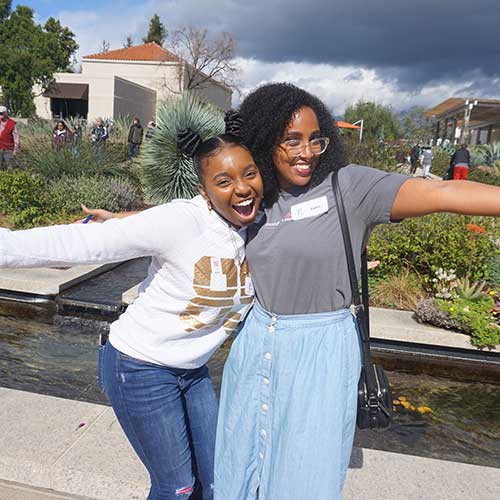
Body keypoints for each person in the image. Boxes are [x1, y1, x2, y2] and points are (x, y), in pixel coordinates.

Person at [212, 83, 500, 500]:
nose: (306, 152)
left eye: (315, 139)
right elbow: (188, 221)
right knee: (243, 461)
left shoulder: (349, 188)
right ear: (263, 139)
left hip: (323, 352)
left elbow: (442, 192)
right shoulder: (251, 196)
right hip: (258, 346)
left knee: (305, 473)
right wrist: (117, 221)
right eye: (291, 140)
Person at [0, 118, 264, 500]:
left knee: (220, 479)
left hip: (191, 371)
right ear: (203, 192)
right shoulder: (182, 220)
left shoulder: (259, 224)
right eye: (224, 182)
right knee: (177, 487)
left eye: (249, 174)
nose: (241, 189)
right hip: (138, 366)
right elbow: (82, 243)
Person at [0, 105, 20, 170]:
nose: (0, 115)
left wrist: (15, 150)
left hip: (8, 150)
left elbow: (16, 138)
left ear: (5, 113)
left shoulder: (12, 124)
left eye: (1, 113)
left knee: (10, 168)